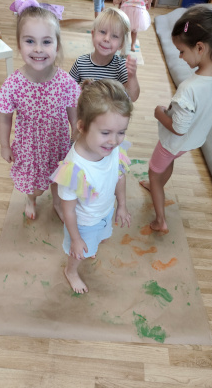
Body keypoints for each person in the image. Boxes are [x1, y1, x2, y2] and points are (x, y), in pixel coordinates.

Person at [140, 3, 212, 232]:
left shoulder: (189, 88)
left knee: (154, 172)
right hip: (193, 141)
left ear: (200, 47)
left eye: (182, 51)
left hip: (175, 140)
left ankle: (160, 219)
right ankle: (156, 185)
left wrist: (159, 113)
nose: (180, 57)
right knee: (169, 162)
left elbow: (178, 128)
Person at [0, 4, 81, 222]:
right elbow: (4, 116)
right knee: (34, 186)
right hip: (30, 148)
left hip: (58, 144)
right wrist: (5, 145)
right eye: (30, 41)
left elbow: (73, 110)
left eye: (46, 41)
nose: (38, 49)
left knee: (59, 179)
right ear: (19, 44)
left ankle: (58, 203)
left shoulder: (65, 81)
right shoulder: (13, 83)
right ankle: (31, 199)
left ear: (57, 45)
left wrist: (76, 133)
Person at [50, 79, 133, 294]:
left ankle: (90, 245)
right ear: (82, 127)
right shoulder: (74, 169)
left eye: (121, 132)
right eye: (106, 133)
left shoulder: (111, 148)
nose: (114, 141)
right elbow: (68, 210)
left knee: (99, 240)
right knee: (79, 253)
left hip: (105, 212)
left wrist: (122, 205)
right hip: (84, 223)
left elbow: (119, 175)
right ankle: (71, 271)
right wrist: (76, 239)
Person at [69, 7, 140, 102]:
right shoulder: (80, 62)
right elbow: (67, 88)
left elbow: (132, 97)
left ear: (121, 44)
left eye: (114, 36)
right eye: (102, 32)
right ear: (93, 35)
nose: (106, 39)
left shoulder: (121, 66)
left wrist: (132, 76)